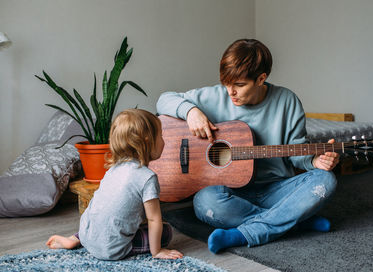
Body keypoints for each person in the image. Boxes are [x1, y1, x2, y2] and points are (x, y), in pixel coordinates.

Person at [156, 39, 339, 254]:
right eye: (226, 83)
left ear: (261, 79)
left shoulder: (287, 101)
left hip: (276, 188)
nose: (230, 92)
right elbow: (164, 99)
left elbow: (296, 151)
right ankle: (293, 220)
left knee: (325, 180)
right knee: (205, 202)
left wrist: (315, 161)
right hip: (232, 194)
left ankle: (246, 233)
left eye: (239, 85)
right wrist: (190, 112)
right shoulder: (213, 96)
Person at [46, 109, 183, 260]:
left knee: (104, 218)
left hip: (87, 233)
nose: (164, 141)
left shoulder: (114, 168)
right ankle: (121, 245)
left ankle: (75, 239)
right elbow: (153, 219)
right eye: (161, 136)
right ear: (147, 141)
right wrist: (157, 251)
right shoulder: (147, 177)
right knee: (166, 231)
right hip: (110, 249)